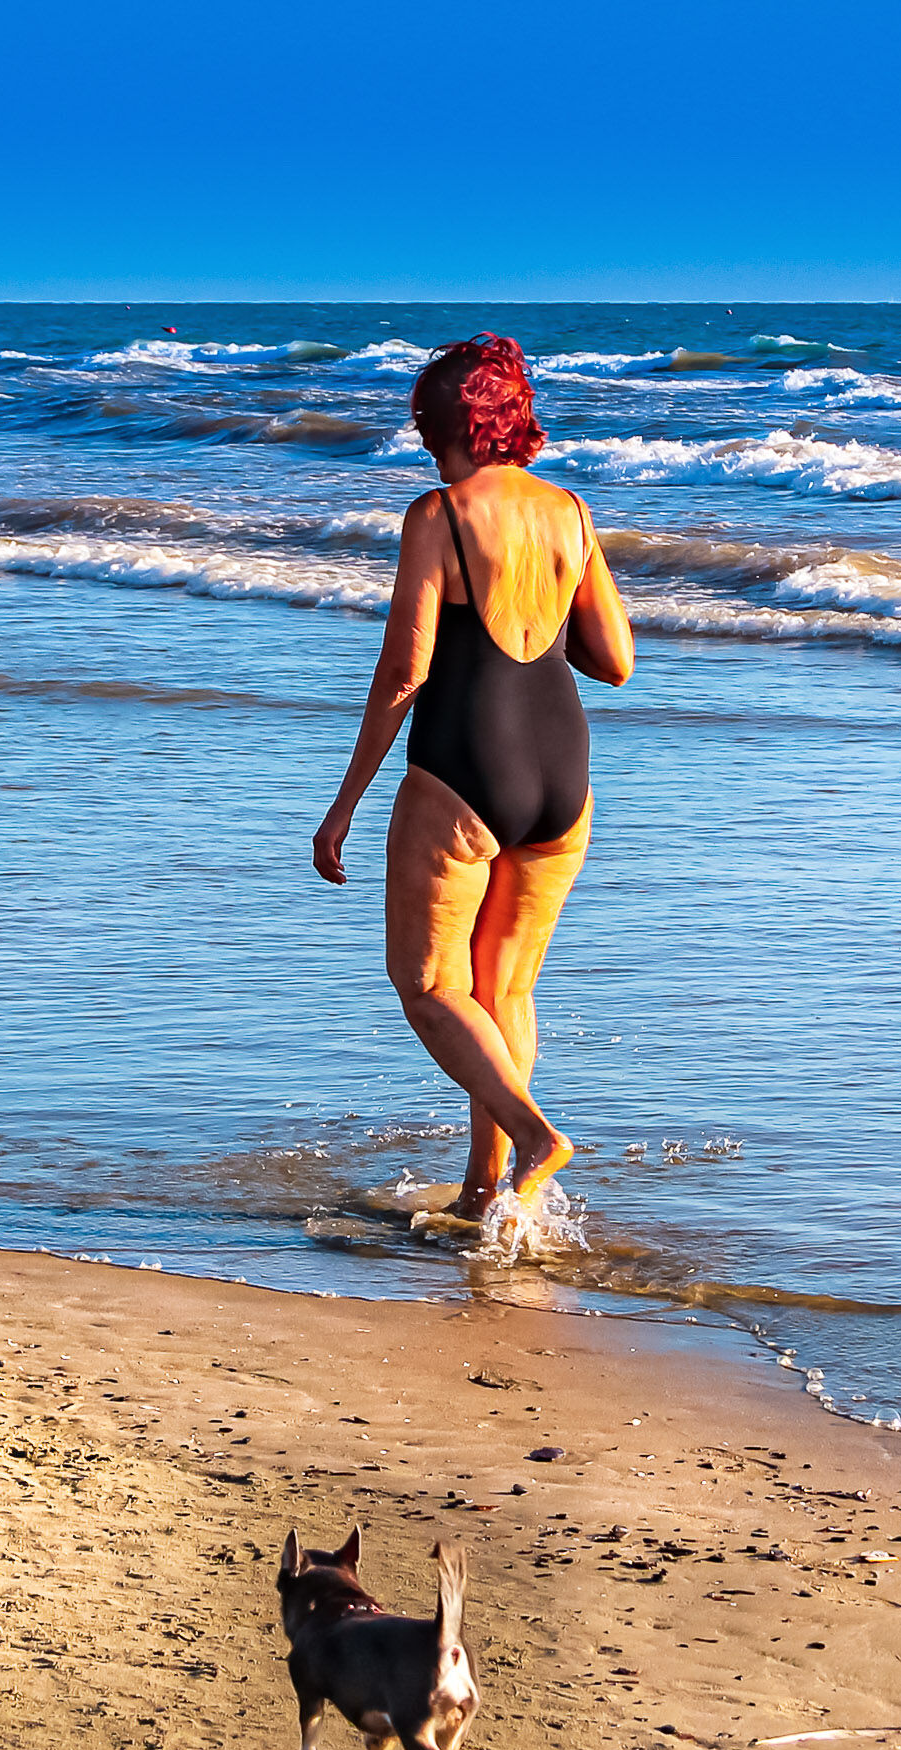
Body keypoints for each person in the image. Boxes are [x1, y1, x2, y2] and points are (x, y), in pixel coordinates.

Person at [311, 335, 634, 1218]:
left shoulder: (438, 515)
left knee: (429, 986)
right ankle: (485, 1192)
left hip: (464, 766)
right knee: (506, 990)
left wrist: (344, 803)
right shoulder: (570, 510)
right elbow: (616, 660)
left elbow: (404, 674)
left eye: (423, 418)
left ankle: (535, 1135)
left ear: (442, 423)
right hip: (564, 774)